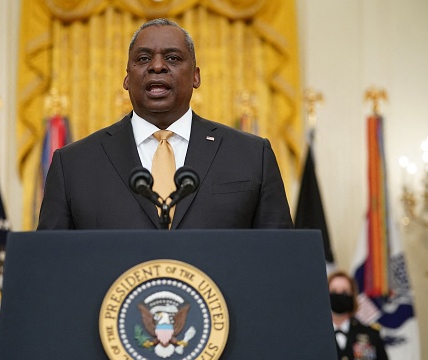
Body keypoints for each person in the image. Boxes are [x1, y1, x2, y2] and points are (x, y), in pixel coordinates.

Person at [37, 18, 293, 230]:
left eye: (172, 58)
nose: (157, 66)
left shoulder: (251, 156)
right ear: (126, 79)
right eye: (143, 59)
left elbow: (280, 259)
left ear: (195, 76)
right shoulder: (73, 165)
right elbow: (51, 265)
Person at [329, 271, 393, 360]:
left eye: (344, 292)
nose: (339, 295)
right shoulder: (316, 337)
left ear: (353, 296)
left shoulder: (371, 335)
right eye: (334, 291)